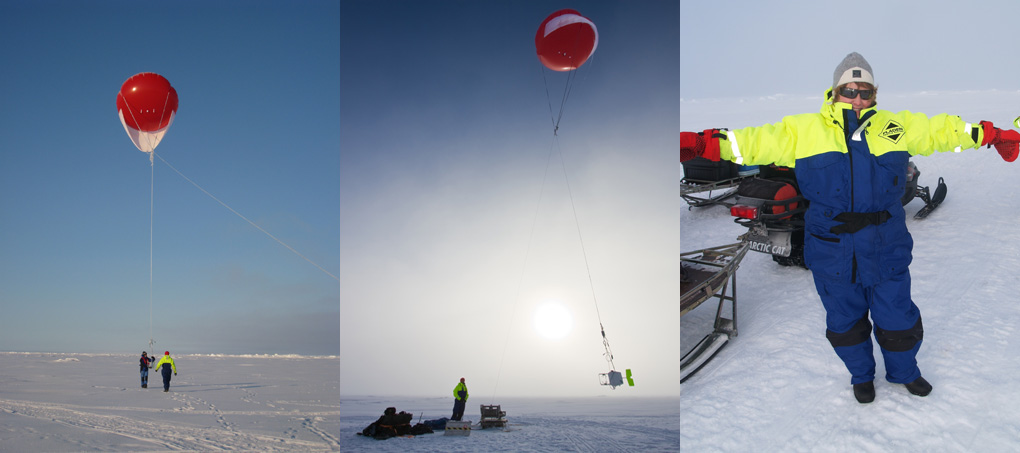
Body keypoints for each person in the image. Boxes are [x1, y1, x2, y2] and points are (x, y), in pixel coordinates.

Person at [676, 52, 1019, 404]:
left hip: (886, 245)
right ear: (835, 91)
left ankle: (905, 373)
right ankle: (861, 376)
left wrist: (991, 134)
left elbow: (945, 130)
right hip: (832, 248)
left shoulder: (894, 126)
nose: (857, 98)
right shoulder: (803, 130)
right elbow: (748, 142)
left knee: (897, 316)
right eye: (849, 90)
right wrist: (704, 143)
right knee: (845, 321)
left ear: (874, 95)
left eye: (865, 91)